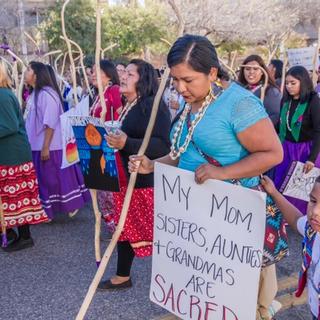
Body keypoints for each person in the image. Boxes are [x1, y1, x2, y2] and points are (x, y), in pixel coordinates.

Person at [129, 35, 286, 320]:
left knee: (240, 306)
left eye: (188, 80)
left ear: (212, 73)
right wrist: (152, 165)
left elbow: (273, 154)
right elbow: (183, 151)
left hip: (234, 225)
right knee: (203, 302)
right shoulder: (193, 102)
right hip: (199, 224)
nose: (180, 88)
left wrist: (222, 172)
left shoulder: (239, 104)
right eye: (175, 80)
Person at [98, 59, 171, 290]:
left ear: (144, 79)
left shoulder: (153, 105)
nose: (124, 76)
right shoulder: (128, 104)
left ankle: (174, 279)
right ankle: (122, 275)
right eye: (124, 72)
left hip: (144, 182)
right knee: (124, 227)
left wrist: (126, 142)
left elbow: (162, 146)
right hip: (125, 178)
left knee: (157, 234)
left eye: (131, 74)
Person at [24, 61, 90, 220]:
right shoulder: (35, 94)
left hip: (51, 146)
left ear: (36, 75)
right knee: (46, 179)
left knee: (56, 179)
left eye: (28, 70)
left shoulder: (47, 94)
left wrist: (46, 146)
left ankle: (70, 205)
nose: (25, 72)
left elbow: (50, 122)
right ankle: (48, 210)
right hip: (37, 144)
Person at [0, 59, 48, 252]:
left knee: (17, 196)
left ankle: (25, 237)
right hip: (8, 153)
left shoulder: (2, 95)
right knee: (8, 196)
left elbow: (10, 125)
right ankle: (9, 232)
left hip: (13, 154)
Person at [261, 175, 320, 320]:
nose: (315, 211)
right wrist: (274, 192)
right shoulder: (314, 231)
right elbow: (295, 220)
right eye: (313, 201)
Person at [274, 65, 320, 214]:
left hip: (306, 151)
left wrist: (312, 158)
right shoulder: (285, 101)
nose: (288, 86)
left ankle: (300, 219)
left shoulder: (313, 101)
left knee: (300, 190)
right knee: (283, 184)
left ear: (303, 81)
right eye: (287, 83)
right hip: (286, 149)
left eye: (293, 83)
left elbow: (318, 130)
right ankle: (282, 216)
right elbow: (279, 126)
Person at [89, 60, 123, 227]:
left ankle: (119, 227)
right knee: (102, 190)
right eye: (91, 71)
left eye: (97, 71)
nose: (92, 74)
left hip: (110, 147)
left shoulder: (114, 90)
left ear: (108, 74)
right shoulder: (98, 95)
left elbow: (122, 116)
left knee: (110, 190)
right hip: (97, 147)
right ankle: (111, 224)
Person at [238, 55, 282, 127]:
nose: (251, 72)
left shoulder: (271, 91)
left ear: (262, 71)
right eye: (247, 69)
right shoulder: (240, 90)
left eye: (255, 69)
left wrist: (257, 128)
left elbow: (276, 116)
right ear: (243, 71)